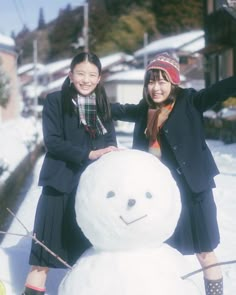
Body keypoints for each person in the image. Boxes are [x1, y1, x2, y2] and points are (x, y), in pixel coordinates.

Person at [111, 52, 236, 295]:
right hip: (162, 198)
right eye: (151, 81)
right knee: (163, 254)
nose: (156, 87)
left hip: (195, 192)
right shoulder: (143, 111)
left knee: (205, 252)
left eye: (162, 81)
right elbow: (115, 110)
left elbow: (223, 88)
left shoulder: (191, 101)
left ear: (174, 82)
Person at [22, 52, 118, 295]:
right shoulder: (55, 100)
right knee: (43, 256)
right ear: (71, 74)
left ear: (99, 78)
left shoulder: (103, 105)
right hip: (58, 186)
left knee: (86, 257)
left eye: (92, 75)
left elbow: (110, 142)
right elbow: (52, 142)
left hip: (89, 192)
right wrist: (89, 154)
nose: (86, 79)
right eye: (81, 73)